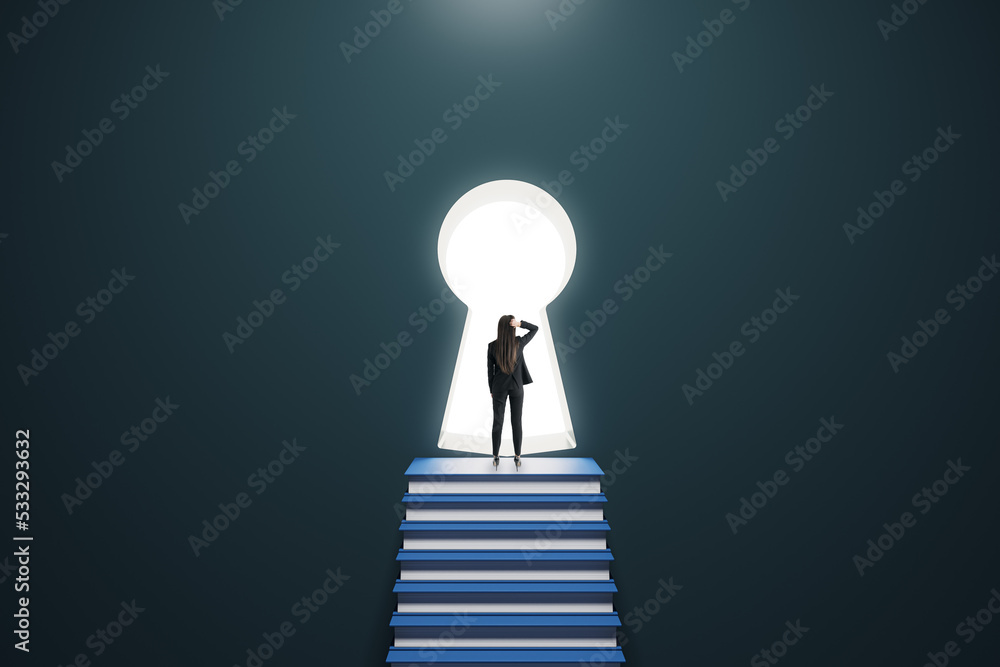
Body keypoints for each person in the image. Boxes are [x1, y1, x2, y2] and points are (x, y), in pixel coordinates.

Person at [487, 315, 538, 468]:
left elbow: (490, 371)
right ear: (512, 327)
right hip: (516, 387)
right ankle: (517, 456)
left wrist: (491, 389)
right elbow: (535, 328)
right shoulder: (519, 343)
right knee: (517, 422)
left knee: (498, 422)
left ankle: (495, 457)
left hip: (498, 388)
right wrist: (521, 323)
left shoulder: (492, 346)